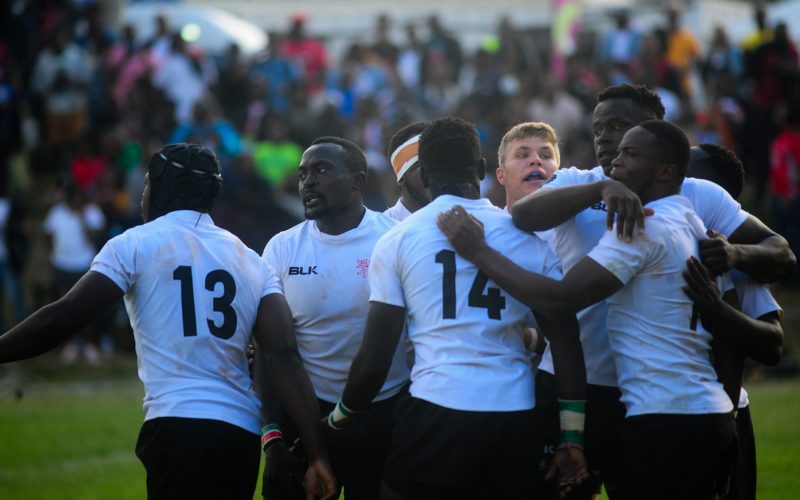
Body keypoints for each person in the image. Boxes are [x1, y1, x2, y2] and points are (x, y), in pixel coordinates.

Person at [0, 144, 336, 500]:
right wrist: (317, 455)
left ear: (162, 188)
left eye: (147, 185)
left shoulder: (134, 243)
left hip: (178, 424)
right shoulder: (250, 258)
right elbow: (283, 353)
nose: (143, 195)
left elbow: (65, 315)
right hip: (239, 433)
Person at [510, 83, 795, 498]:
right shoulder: (576, 181)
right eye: (598, 127)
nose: (606, 137)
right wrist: (600, 189)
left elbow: (781, 253)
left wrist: (734, 253)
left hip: (648, 393)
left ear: (654, 133)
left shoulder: (693, 194)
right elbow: (524, 213)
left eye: (619, 126)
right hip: (574, 381)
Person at [438, 120, 738, 498]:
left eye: (630, 154)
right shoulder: (700, 229)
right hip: (708, 411)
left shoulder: (644, 227)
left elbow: (560, 299)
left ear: (665, 170)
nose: (615, 163)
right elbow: (730, 337)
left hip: (664, 414)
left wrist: (479, 252)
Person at [327, 117, 589, 500]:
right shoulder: (527, 239)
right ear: (483, 170)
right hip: (514, 413)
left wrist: (337, 419)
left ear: (426, 176)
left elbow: (375, 358)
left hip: (437, 409)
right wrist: (571, 436)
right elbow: (565, 340)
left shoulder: (397, 240)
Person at [259, 137, 410, 499]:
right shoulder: (281, 247)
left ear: (359, 180)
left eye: (322, 170)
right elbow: (269, 351)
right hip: (306, 411)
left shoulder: (393, 240)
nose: (308, 181)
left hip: (383, 413)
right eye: (302, 174)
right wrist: (273, 436)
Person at [684, 144, 784, 500]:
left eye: (686, 169)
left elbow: (772, 346)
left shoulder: (733, 260)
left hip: (724, 418)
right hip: (655, 414)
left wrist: (719, 310)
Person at [496, 121, 560, 214]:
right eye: (523, 155)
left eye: (545, 156)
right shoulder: (485, 227)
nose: (536, 160)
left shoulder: (582, 222)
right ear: (502, 176)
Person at [384, 121, 431, 222]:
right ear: (401, 178)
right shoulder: (383, 230)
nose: (437, 172)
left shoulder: (463, 221)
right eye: (424, 165)